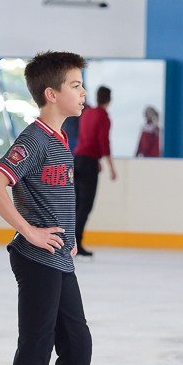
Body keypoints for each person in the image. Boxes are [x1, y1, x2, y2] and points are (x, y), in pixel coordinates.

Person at [0, 51, 118, 365]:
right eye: (76, 85)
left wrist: (68, 237)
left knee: (77, 345)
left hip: (58, 259)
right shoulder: (36, 138)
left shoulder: (60, 139)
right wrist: (31, 231)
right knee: (36, 350)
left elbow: (53, 195)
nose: (82, 93)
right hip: (37, 259)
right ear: (51, 93)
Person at [73, 85, 117, 256]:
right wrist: (111, 168)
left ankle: (69, 242)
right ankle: (76, 243)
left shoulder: (87, 113)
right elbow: (103, 142)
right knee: (85, 205)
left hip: (78, 160)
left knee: (76, 204)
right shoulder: (103, 116)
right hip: (89, 163)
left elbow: (85, 137)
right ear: (109, 100)